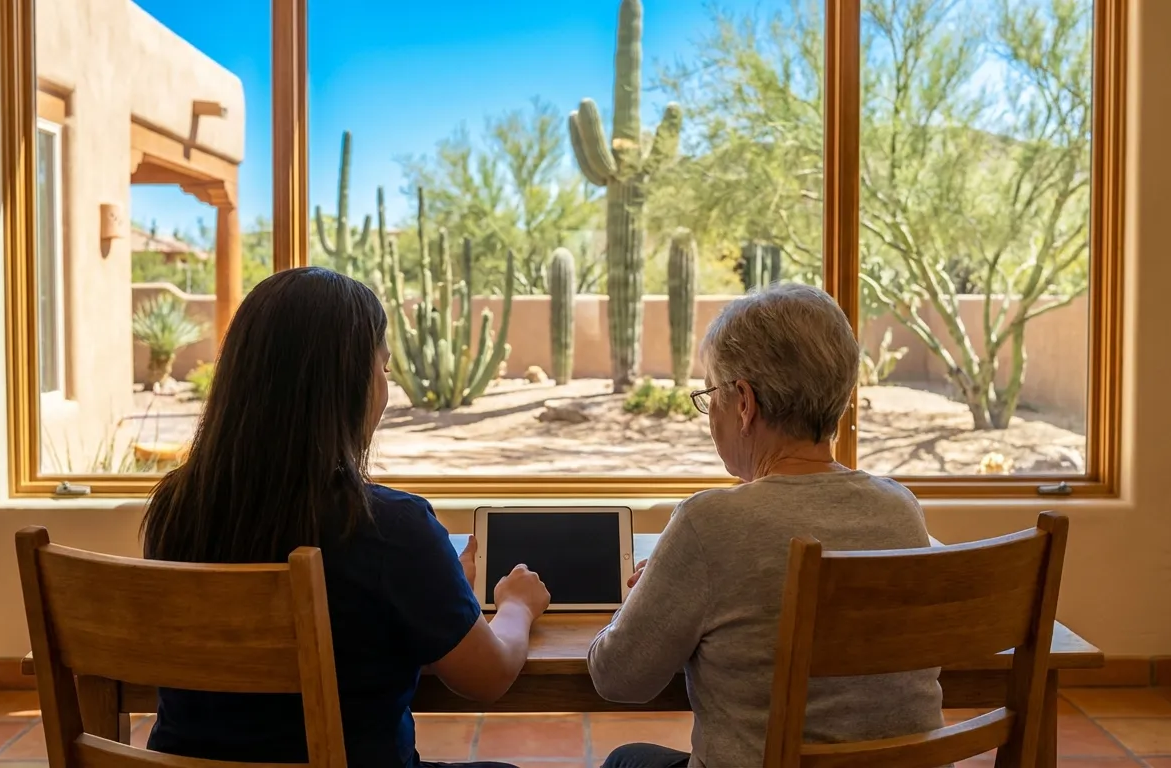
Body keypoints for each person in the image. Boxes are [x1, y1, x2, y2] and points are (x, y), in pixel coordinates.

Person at [140, 267, 550, 768]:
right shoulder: (390, 526)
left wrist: (436, 589)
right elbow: (487, 677)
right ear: (351, 384)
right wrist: (516, 607)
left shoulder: (176, 506)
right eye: (384, 368)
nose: (386, 384)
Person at [589, 283, 944, 768]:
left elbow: (619, 678)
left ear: (744, 403)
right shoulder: (901, 508)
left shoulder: (710, 524)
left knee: (627, 760)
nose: (709, 412)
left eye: (709, 393)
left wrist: (641, 600)